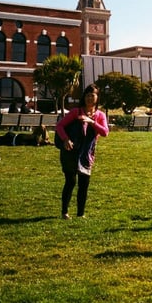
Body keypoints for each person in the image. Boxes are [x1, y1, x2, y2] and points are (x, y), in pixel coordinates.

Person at [55, 84, 110, 219]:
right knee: (70, 181)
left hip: (87, 153)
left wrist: (91, 122)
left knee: (84, 184)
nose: (90, 98)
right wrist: (66, 139)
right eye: (87, 95)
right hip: (71, 151)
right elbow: (59, 126)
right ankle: (64, 212)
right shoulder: (76, 112)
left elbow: (105, 132)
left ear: (97, 97)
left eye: (93, 95)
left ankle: (80, 214)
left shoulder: (100, 115)